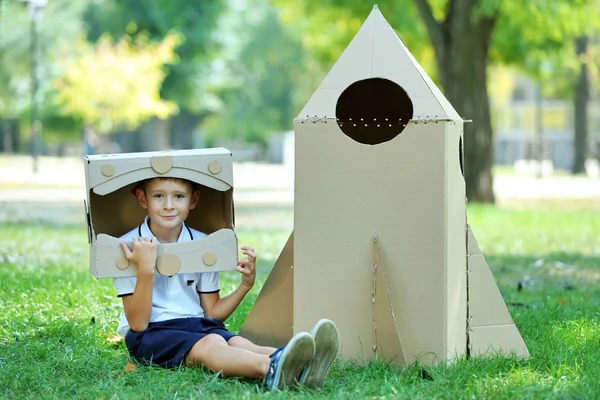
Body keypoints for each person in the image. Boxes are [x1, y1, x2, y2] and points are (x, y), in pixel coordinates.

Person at [112, 176, 340, 390]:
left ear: (194, 200)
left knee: (238, 343)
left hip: (197, 324)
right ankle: (269, 369)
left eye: (179, 196)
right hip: (152, 333)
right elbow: (138, 324)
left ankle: (301, 365)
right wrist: (146, 268)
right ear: (143, 198)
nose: (169, 205)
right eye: (158, 196)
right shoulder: (125, 247)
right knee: (212, 342)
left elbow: (212, 314)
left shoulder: (204, 245)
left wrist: (245, 285)